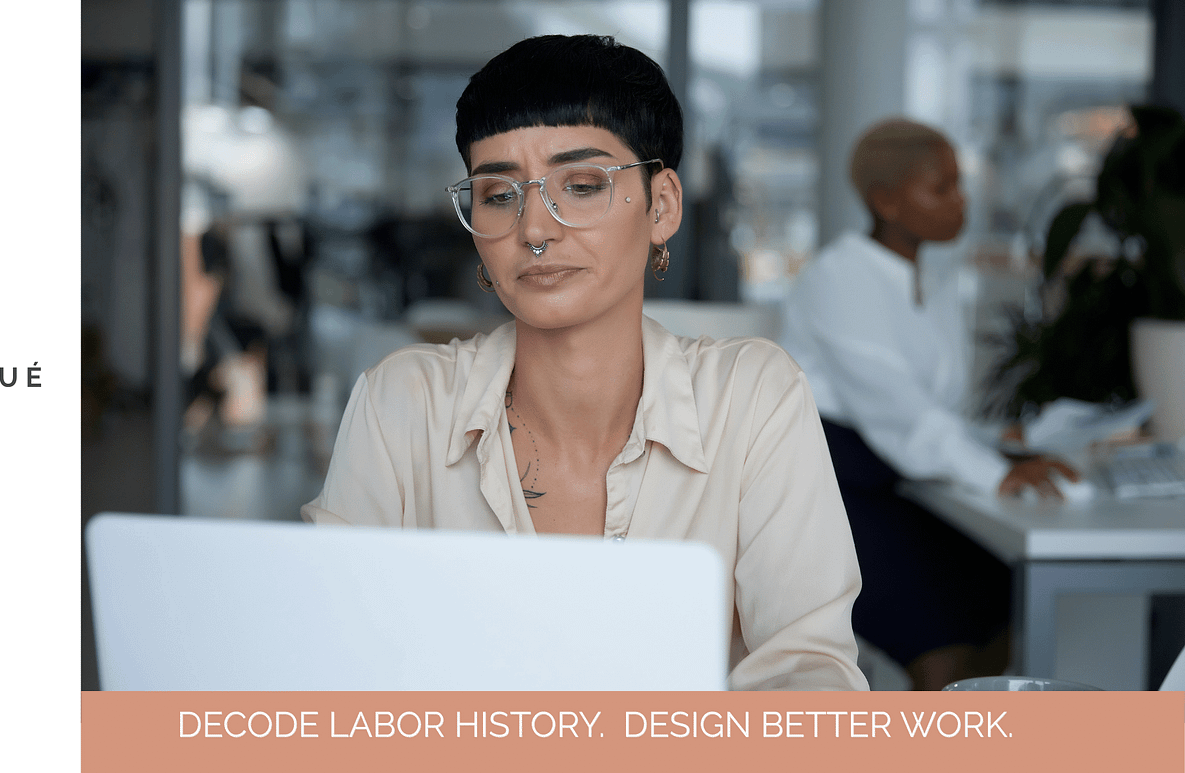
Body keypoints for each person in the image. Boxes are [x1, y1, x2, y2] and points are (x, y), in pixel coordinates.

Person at [302, 35, 866, 691]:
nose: (535, 229)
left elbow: (810, 673)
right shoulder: (403, 403)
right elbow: (327, 662)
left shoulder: (751, 399)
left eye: (582, 184)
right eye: (500, 194)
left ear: (662, 207)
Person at [779, 118, 1080, 690]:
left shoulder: (933, 279)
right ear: (886, 201)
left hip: (892, 483)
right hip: (827, 497)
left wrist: (1000, 451)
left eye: (959, 186)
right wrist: (995, 474)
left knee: (1000, 593)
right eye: (940, 188)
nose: (961, 203)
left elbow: (928, 408)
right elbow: (900, 417)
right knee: (942, 636)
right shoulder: (839, 277)